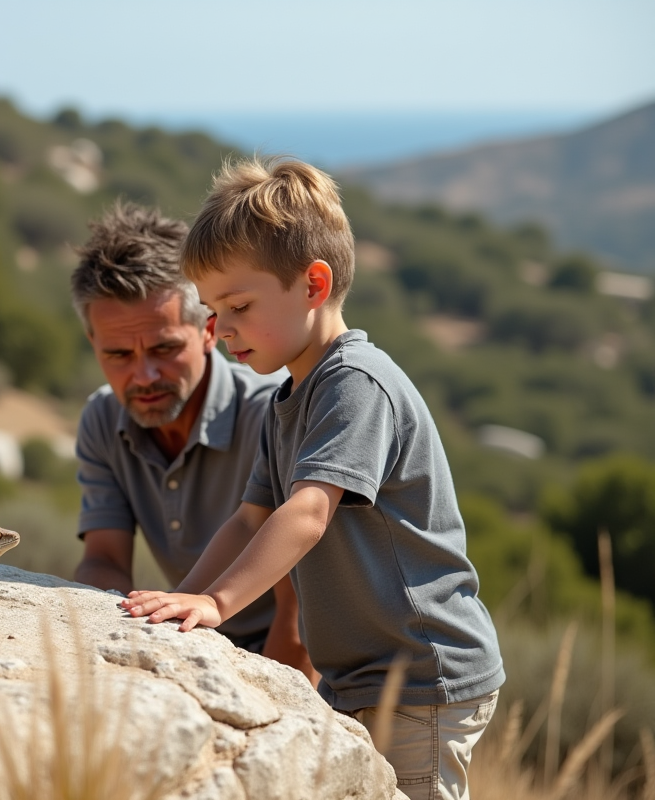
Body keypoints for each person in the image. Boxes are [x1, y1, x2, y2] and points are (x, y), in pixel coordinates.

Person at [121, 157, 504, 800]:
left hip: (419, 676)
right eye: (213, 310)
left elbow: (308, 512)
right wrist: (180, 602)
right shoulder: (287, 398)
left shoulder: (355, 383)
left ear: (314, 285)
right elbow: (247, 520)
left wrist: (218, 603)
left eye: (239, 305)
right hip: (360, 676)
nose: (221, 331)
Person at [70, 202, 313, 676]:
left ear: (208, 330)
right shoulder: (102, 417)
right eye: (118, 353)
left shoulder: (273, 412)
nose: (144, 375)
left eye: (164, 348)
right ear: (92, 342)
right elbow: (104, 561)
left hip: (295, 660)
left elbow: (297, 618)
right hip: (194, 637)